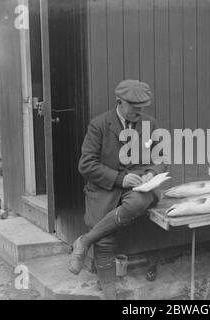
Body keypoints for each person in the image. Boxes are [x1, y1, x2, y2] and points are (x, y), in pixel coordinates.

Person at [68, 79, 166, 299]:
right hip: (105, 187)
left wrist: (151, 172)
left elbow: (161, 158)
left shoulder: (150, 124)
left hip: (138, 186)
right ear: (119, 102)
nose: (139, 112)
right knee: (105, 240)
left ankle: (84, 241)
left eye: (143, 108)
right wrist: (121, 179)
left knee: (140, 201)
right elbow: (86, 164)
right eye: (135, 107)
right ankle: (110, 295)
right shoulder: (99, 124)